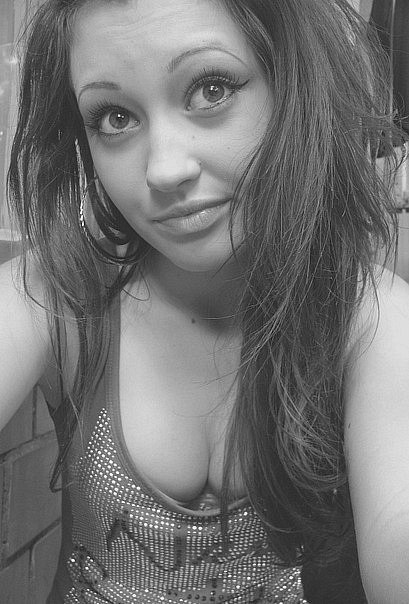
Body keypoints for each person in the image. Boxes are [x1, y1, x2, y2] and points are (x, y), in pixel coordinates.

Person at [1, 0, 409, 602]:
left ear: (291, 87)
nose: (164, 169)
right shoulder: (61, 293)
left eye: (211, 89)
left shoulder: (368, 316)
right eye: (115, 117)